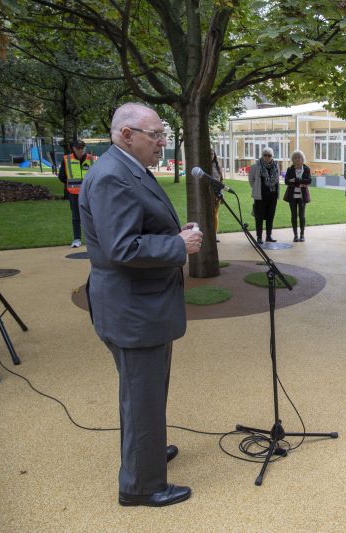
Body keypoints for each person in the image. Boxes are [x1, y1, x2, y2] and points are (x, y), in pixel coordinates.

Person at [78, 102, 202, 507]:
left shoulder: (126, 168)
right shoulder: (114, 176)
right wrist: (176, 245)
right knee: (142, 394)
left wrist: (172, 233)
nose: (163, 143)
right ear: (126, 134)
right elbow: (120, 247)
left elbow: (135, 228)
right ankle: (142, 485)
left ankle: (146, 452)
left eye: (164, 135)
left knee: (143, 393)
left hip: (139, 305)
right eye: (156, 135)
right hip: (133, 309)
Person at [58, 139, 94, 248]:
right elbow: (62, 177)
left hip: (90, 193)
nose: (80, 150)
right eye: (78, 148)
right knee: (76, 217)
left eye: (82, 148)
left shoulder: (92, 159)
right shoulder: (67, 159)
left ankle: (93, 239)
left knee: (93, 216)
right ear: (73, 148)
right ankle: (77, 239)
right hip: (74, 193)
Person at [249, 147, 280, 244]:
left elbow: (277, 180)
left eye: (269, 155)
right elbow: (251, 180)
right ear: (262, 156)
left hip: (273, 195)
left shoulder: (276, 166)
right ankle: (259, 237)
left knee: (270, 216)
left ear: (272, 156)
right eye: (265, 155)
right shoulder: (255, 166)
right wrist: (257, 188)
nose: (267, 157)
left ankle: (268, 236)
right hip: (260, 196)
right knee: (259, 216)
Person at [283, 150, 312, 242]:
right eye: (295, 158)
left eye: (299, 157)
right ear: (293, 160)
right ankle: (295, 235)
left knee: (302, 215)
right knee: (293, 216)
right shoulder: (290, 169)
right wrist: (300, 183)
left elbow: (308, 181)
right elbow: (286, 181)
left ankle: (302, 235)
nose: (297, 159)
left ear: (302, 159)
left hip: (302, 196)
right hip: (292, 196)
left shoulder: (306, 169)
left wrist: (295, 180)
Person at [211, 149, 223, 242]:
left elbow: (220, 181)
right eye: (209, 153)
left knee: (215, 214)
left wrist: (221, 194)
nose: (211, 155)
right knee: (210, 214)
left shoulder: (217, 166)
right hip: (209, 194)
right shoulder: (205, 166)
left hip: (217, 194)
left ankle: (214, 234)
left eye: (212, 153)